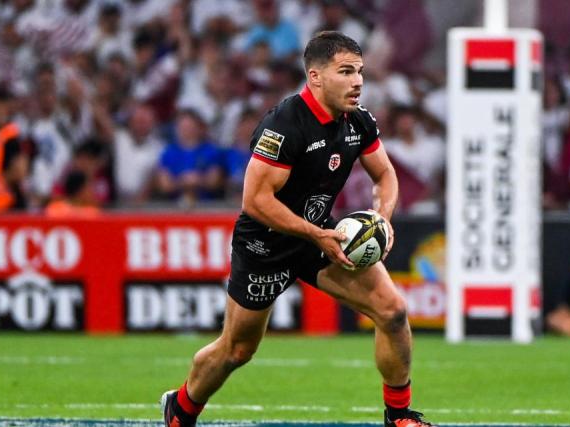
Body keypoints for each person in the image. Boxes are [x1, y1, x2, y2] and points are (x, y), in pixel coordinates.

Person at [161, 31, 433, 427]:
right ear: (316, 76)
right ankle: (181, 408)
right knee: (237, 350)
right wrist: (315, 233)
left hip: (320, 236)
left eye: (360, 72)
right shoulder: (284, 125)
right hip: (266, 245)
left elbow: (385, 175)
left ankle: (399, 415)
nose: (357, 81)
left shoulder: (357, 121)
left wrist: (382, 219)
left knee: (392, 312)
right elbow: (255, 202)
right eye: (345, 72)